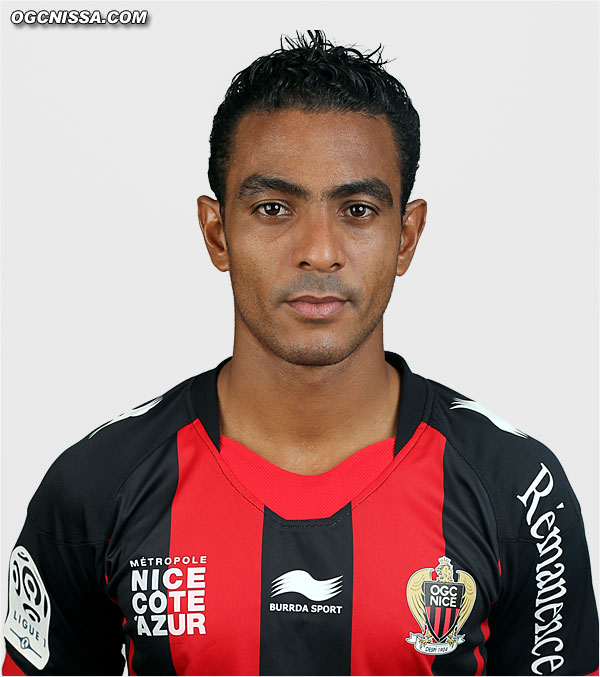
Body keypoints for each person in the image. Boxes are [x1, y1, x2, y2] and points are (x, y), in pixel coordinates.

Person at [2, 30, 597, 677]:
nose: (318, 250)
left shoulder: (519, 491)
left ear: (406, 236)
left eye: (358, 210)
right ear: (216, 232)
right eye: (273, 208)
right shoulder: (96, 487)